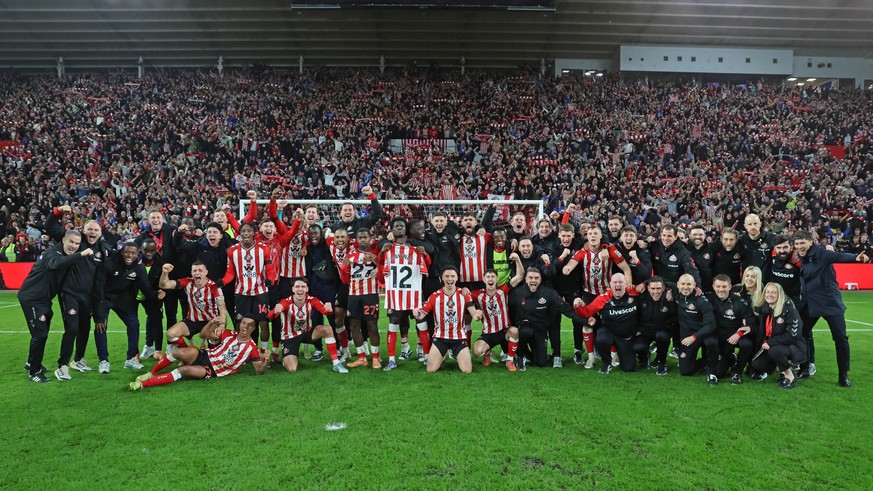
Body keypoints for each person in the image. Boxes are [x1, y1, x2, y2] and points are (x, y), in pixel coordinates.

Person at [793, 230, 870, 387]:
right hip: (810, 303)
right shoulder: (800, 256)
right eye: (797, 244)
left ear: (810, 242)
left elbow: (841, 257)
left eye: (802, 243)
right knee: (802, 333)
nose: (799, 246)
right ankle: (805, 368)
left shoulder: (823, 253)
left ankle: (843, 375)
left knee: (840, 338)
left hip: (830, 303)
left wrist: (857, 258)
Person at [18, 230, 92, 382]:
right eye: (71, 242)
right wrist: (80, 254)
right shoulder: (52, 253)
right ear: (63, 240)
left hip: (44, 300)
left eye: (77, 244)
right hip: (32, 299)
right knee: (40, 334)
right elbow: (54, 264)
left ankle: (31, 362)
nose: (73, 246)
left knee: (42, 332)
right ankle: (34, 372)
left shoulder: (65, 255)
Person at [46, 207, 112, 374]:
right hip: (69, 293)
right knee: (72, 328)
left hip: (87, 296)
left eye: (96, 229)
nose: (92, 232)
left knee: (84, 328)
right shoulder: (76, 240)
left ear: (100, 233)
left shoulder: (102, 250)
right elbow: (51, 227)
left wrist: (99, 311)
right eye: (89, 228)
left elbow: (99, 282)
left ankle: (78, 360)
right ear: (83, 230)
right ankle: (62, 365)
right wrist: (58, 211)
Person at [129, 317, 267, 390]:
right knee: (177, 352)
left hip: (212, 370)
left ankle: (144, 384)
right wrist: (212, 322)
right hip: (205, 355)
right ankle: (152, 372)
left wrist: (265, 361)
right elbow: (203, 335)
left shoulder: (252, 348)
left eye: (249, 325)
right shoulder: (229, 333)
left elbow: (259, 371)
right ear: (240, 324)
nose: (245, 326)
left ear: (254, 328)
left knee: (183, 370)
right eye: (244, 323)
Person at [97, 240, 163, 370]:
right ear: (121, 252)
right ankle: (103, 361)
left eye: (133, 253)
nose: (129, 255)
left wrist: (156, 294)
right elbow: (98, 289)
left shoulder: (139, 267)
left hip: (123, 300)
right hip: (105, 299)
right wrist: (99, 314)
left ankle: (130, 359)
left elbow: (145, 287)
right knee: (101, 326)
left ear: (137, 254)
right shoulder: (109, 264)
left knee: (134, 324)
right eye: (126, 252)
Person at [508, 267, 585, 371]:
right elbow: (508, 309)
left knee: (541, 363)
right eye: (530, 278)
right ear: (525, 279)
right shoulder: (516, 293)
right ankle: (520, 355)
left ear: (540, 279)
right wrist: (515, 324)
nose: (533, 280)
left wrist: (585, 320)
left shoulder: (548, 293)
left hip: (540, 330)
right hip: (525, 328)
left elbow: (566, 309)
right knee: (525, 330)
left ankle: (528, 355)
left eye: (536, 278)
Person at [380, 218, 431, 371]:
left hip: (414, 293)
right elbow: (382, 268)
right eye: (396, 226)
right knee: (394, 323)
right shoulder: (387, 249)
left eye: (402, 226)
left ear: (406, 229)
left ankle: (426, 355)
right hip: (395, 294)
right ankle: (391, 359)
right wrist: (383, 253)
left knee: (421, 322)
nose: (399, 228)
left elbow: (426, 268)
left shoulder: (415, 249)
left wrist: (426, 256)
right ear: (392, 229)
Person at [268, 277, 347, 373]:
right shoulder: (286, 302)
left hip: (307, 332)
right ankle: (290, 356)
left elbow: (324, 310)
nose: (300, 289)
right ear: (293, 289)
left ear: (307, 289)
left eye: (303, 287)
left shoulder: (312, 300)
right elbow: (270, 316)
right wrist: (274, 311)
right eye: (297, 287)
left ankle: (336, 363)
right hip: (290, 336)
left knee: (327, 329)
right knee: (292, 369)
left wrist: (328, 309)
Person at [413, 266, 483, 374]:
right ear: (442, 278)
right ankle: (443, 353)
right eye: (447, 276)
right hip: (441, 338)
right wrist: (416, 313)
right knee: (431, 369)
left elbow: (473, 314)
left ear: (456, 279)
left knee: (467, 370)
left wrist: (477, 315)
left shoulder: (464, 295)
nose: (449, 279)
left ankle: (452, 353)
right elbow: (421, 315)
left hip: (459, 338)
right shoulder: (434, 296)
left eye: (452, 276)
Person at [219, 221, 277, 342]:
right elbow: (230, 273)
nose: (246, 233)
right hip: (242, 293)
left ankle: (263, 353)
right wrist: (223, 282)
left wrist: (270, 280)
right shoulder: (233, 251)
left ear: (254, 233)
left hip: (260, 292)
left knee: (263, 323)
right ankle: (241, 348)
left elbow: (270, 269)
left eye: (249, 231)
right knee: (240, 322)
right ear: (239, 233)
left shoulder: (263, 249)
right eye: (243, 231)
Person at [573, 273, 641, 374]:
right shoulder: (603, 298)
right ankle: (606, 363)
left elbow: (651, 287)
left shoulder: (634, 292)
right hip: (610, 333)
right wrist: (578, 306)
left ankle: (630, 356)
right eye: (615, 282)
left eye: (621, 282)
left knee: (629, 368)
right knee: (601, 338)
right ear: (610, 284)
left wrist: (644, 284)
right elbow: (587, 312)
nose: (618, 285)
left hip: (626, 337)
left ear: (626, 283)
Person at [338, 228, 382, 368]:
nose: (362, 240)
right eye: (360, 237)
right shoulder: (349, 256)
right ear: (356, 240)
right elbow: (344, 278)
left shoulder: (377, 255)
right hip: (354, 295)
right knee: (354, 326)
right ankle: (361, 357)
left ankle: (376, 358)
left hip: (370, 294)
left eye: (365, 237)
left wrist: (377, 262)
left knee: (372, 326)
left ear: (370, 239)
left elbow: (383, 274)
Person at [749, 283, 806, 389]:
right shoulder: (765, 309)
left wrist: (770, 342)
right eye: (767, 292)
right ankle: (784, 370)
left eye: (773, 292)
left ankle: (790, 376)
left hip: (793, 346)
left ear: (780, 295)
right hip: (773, 345)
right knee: (757, 364)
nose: (770, 295)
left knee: (775, 351)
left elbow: (793, 335)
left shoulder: (789, 310)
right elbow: (752, 313)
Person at [158, 262, 228, 349]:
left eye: (200, 270)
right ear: (191, 273)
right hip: (192, 321)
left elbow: (222, 307)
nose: (197, 273)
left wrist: (222, 325)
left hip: (210, 321)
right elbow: (163, 285)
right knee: (171, 334)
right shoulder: (187, 282)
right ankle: (188, 352)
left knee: (215, 336)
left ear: (206, 272)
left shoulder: (214, 287)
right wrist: (165, 272)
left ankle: (211, 354)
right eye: (194, 270)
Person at [469, 268, 525, 371]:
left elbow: (520, 276)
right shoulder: (477, 294)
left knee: (515, 331)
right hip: (488, 333)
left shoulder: (503, 290)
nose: (490, 279)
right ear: (484, 280)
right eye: (488, 277)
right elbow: (464, 295)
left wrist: (517, 259)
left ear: (497, 279)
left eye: (493, 276)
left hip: (504, 331)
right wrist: (464, 290)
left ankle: (510, 360)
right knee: (477, 352)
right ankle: (487, 353)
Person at [707, 274, 756, 384]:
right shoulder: (708, 298)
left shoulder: (740, 302)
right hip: (719, 338)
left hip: (735, 336)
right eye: (718, 286)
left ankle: (737, 372)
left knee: (747, 344)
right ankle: (727, 360)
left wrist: (739, 334)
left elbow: (752, 323)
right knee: (720, 373)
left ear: (730, 287)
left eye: (724, 286)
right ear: (713, 287)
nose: (721, 289)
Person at [674, 274, 719, 384]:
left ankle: (711, 370)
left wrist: (694, 336)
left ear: (694, 285)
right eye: (683, 284)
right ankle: (706, 361)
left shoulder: (702, 301)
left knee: (711, 342)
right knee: (685, 371)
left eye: (689, 284)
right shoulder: (675, 295)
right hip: (687, 337)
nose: (685, 287)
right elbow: (661, 282)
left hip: (703, 335)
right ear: (678, 285)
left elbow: (711, 325)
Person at [634, 276, 676, 375]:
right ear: (648, 288)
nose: (656, 292)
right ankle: (644, 358)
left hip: (662, 328)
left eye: (658, 288)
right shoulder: (641, 297)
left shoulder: (669, 297)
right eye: (653, 289)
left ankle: (662, 362)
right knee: (638, 347)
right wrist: (637, 330)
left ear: (663, 288)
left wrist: (669, 328)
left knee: (662, 336)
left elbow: (674, 317)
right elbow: (636, 315)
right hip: (645, 330)